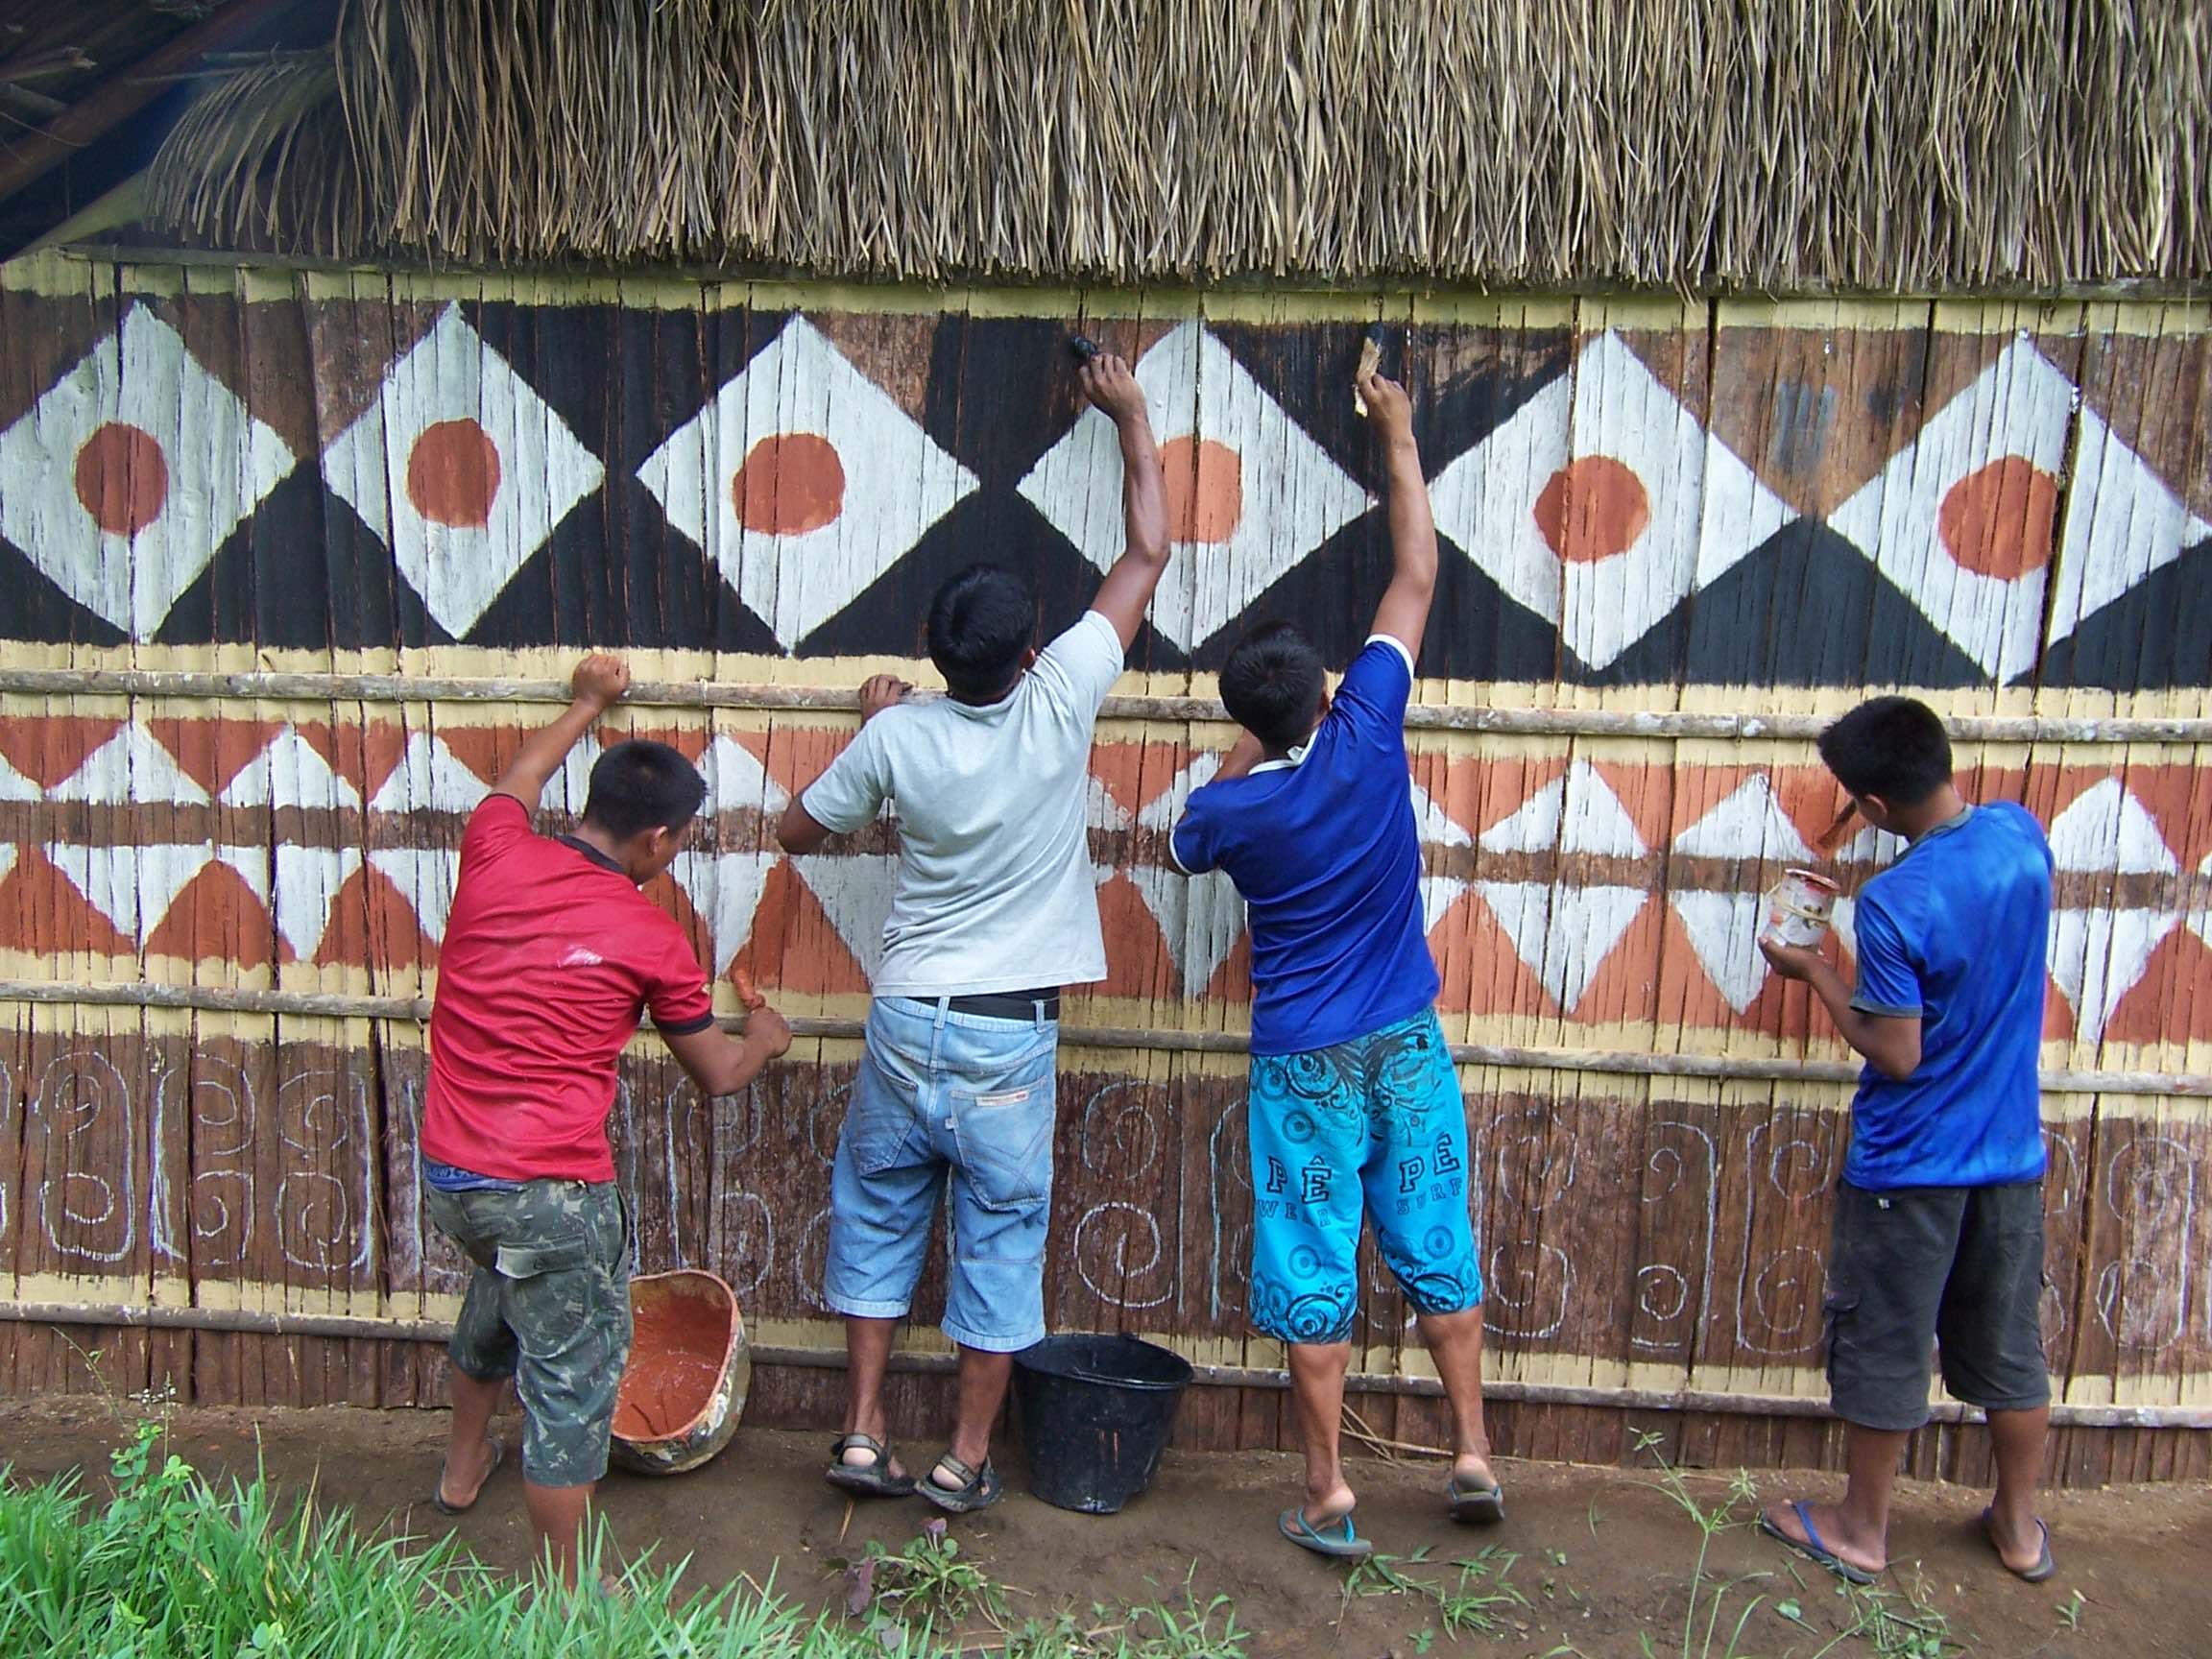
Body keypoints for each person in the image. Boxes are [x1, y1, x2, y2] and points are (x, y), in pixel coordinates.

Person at [777, 352, 1167, 1513]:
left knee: (879, 1214)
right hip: (1009, 1041)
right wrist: (1131, 413)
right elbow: (1147, 551)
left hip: (907, 1021)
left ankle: (857, 1437)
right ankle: (966, 1459)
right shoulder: (1059, 699)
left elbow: (798, 828)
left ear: (939, 653)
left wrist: (879, 735)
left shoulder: (900, 739)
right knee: (998, 1246)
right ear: (1031, 651)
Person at [1168, 365, 1493, 1562]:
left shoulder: (1237, 816)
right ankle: (1469, 1449)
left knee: (1313, 1267)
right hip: (1405, 1042)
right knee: (1434, 1243)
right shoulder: (1366, 734)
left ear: (1257, 717)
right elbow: (1416, 572)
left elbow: (1185, 831)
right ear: (1327, 688)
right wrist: (1398, 433)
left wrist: (1251, 740)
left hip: (1300, 1060)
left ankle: (1327, 1491)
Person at [419, 653, 792, 1587]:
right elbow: (717, 1073)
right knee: (572, 1386)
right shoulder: (650, 940)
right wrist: (769, 1037)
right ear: (662, 841)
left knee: (502, 1291)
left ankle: (462, 1473)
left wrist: (587, 703)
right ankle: (564, 1606)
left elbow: (517, 781)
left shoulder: (496, 847)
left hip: (452, 1181)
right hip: (550, 1196)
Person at [1756, 695, 2056, 1585]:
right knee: (2007, 1345)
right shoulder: (2019, 835)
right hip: (2008, 1155)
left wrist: (1812, 967)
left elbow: (1896, 1049)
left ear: (1875, 809)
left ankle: (1861, 1529)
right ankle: (2018, 1525)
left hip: (1912, 1165)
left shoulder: (1894, 903)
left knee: (1888, 1344)